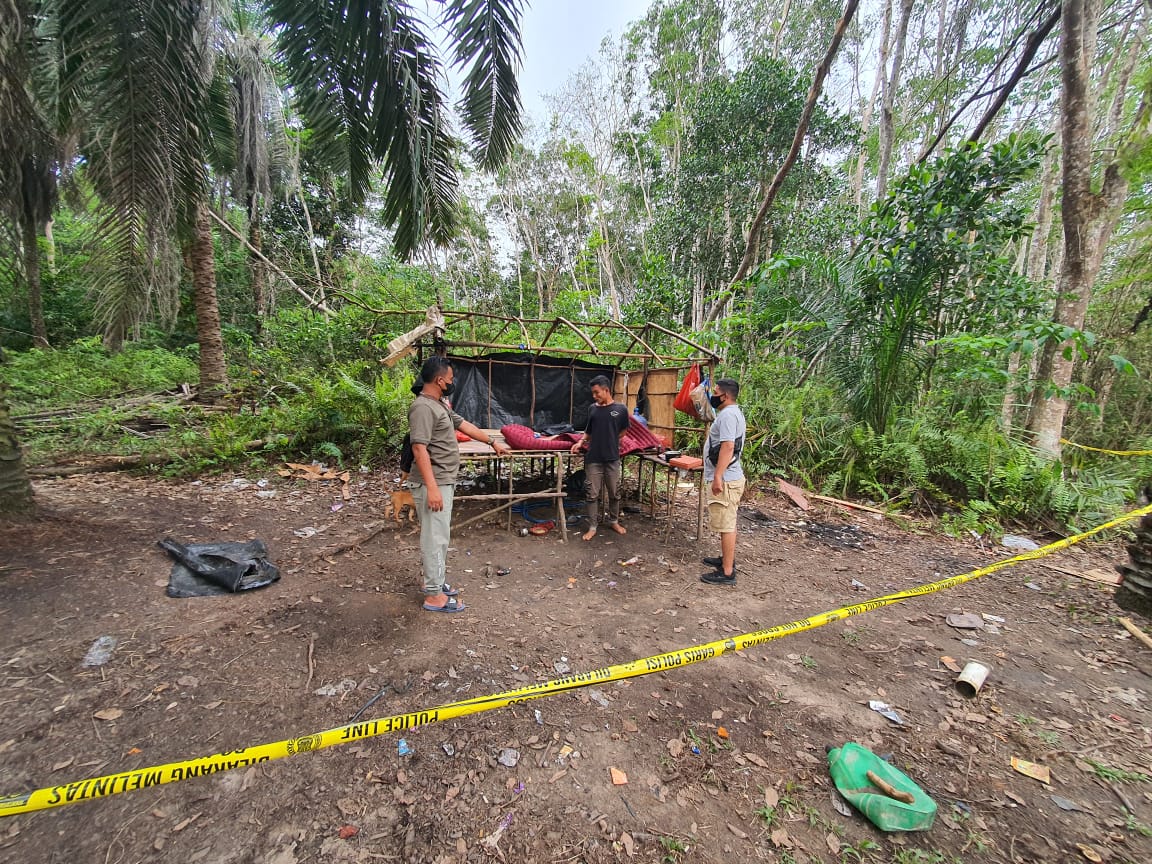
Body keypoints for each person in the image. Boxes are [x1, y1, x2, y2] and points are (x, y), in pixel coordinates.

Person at [409, 356, 510, 612]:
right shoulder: (422, 407)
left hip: (443, 479)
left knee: (439, 537)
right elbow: (419, 449)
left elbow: (463, 424)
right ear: (439, 380)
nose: (452, 383)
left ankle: (435, 582)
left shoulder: (438, 404)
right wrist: (432, 488)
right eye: (451, 379)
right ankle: (433, 596)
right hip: (434, 481)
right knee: (435, 538)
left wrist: (492, 442)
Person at [570, 375, 631, 541]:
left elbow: (623, 432)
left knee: (614, 492)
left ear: (606, 390)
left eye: (597, 392)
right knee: (591, 493)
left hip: (612, 458)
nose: (594, 396)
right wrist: (580, 442)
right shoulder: (592, 409)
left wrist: (609, 439)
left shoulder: (621, 409)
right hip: (593, 458)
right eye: (593, 393)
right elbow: (588, 431)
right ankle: (592, 526)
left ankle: (614, 521)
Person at [700, 378, 746, 586]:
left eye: (716, 391)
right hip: (729, 477)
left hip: (726, 479)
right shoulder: (732, 412)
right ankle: (725, 560)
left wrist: (718, 476)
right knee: (727, 522)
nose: (713, 395)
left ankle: (727, 572)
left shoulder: (728, 415)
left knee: (726, 524)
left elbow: (728, 446)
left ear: (725, 396)